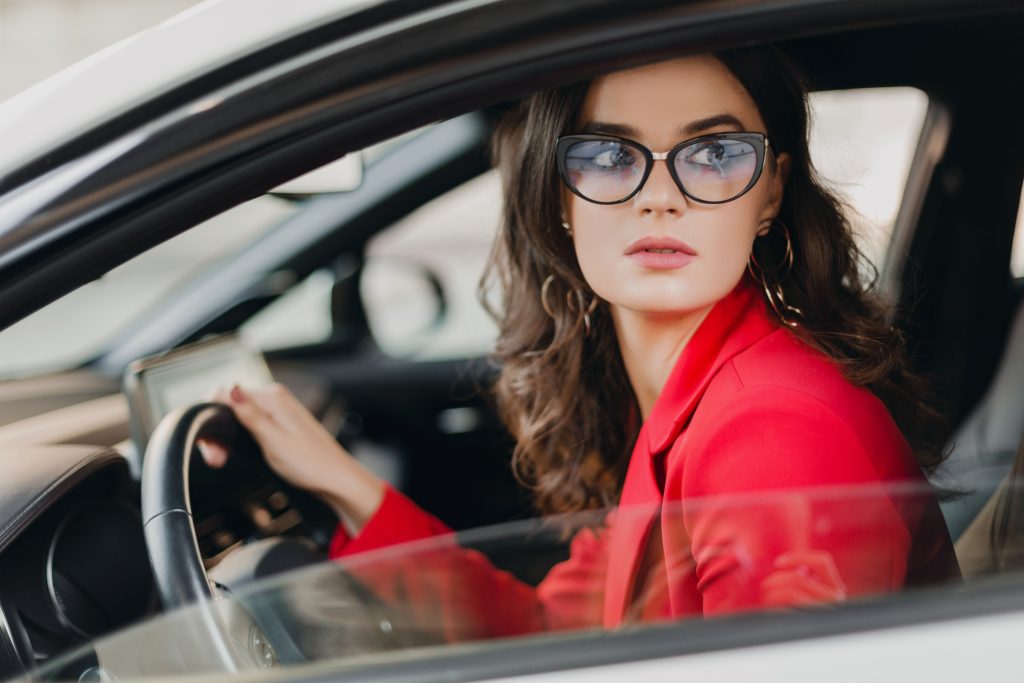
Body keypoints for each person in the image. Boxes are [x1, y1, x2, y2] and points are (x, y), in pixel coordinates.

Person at [200, 45, 958, 641]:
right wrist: (340, 480)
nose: (660, 195)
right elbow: (543, 630)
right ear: (561, 198)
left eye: (715, 154)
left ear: (769, 193)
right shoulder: (684, 409)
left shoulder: (777, 428)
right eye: (607, 156)